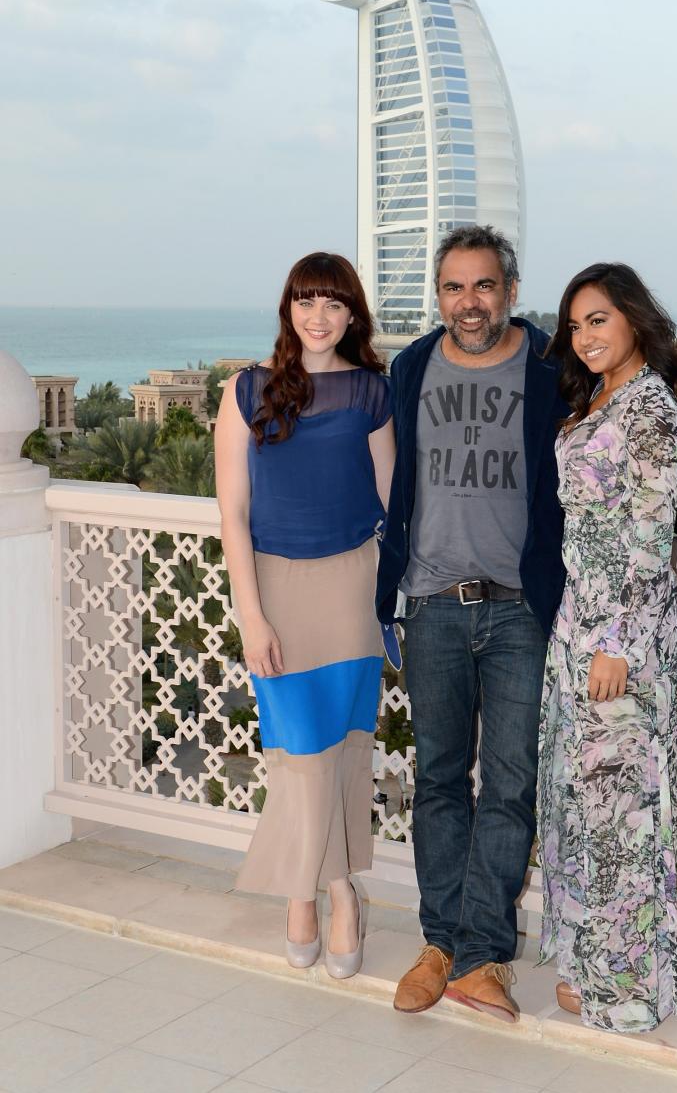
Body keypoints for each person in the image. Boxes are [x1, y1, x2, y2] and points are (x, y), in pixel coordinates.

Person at [377, 225, 677, 1022]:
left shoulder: (548, 366)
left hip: (526, 608)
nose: (469, 301)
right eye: (454, 286)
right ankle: (439, 944)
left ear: (510, 287)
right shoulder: (410, 366)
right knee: (437, 781)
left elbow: (627, 465)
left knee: (513, 787)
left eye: (484, 284)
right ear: (438, 295)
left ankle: (483, 955)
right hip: (429, 602)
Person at [215, 251, 394, 976]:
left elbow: (390, 503)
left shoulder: (371, 393)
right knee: (297, 752)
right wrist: (250, 616)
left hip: (354, 587)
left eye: (333, 302)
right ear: (288, 308)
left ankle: (331, 890)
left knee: (344, 746)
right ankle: (315, 889)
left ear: (352, 315)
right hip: (276, 591)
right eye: (305, 299)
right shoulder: (246, 390)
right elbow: (232, 512)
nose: (318, 315)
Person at [537, 262, 677, 1033]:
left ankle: (625, 988)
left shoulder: (652, 410)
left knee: (622, 806)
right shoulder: (596, 397)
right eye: (575, 323)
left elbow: (650, 536)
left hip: (619, 636)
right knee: (583, 800)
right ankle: (592, 962)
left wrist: (616, 644)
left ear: (632, 318)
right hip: (579, 624)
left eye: (599, 318)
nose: (586, 334)